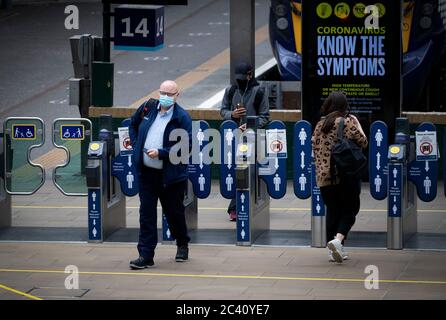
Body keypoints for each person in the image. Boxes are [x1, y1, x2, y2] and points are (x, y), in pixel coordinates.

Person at [128, 80, 192, 269]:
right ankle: (146, 255)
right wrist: (136, 146)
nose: (165, 96)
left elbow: (184, 147)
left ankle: (182, 243)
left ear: (177, 95)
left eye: (170, 94)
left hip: (170, 176)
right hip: (147, 174)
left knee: (174, 214)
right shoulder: (148, 108)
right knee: (146, 214)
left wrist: (161, 153)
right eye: (163, 92)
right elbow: (132, 125)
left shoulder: (182, 117)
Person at [311, 91, 368, 263]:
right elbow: (363, 142)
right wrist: (358, 124)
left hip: (324, 178)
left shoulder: (320, 124)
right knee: (350, 210)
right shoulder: (347, 122)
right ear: (344, 106)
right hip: (344, 176)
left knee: (333, 211)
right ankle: (338, 240)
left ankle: (334, 250)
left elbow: (314, 145)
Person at [220, 62, 270, 221]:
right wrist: (233, 115)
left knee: (250, 171)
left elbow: (265, 116)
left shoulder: (260, 91)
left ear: (250, 75)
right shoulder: (231, 90)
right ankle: (237, 205)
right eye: (238, 78)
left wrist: (249, 125)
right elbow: (223, 111)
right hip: (234, 138)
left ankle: (238, 206)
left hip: (253, 138)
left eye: (243, 78)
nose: (240, 81)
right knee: (238, 172)